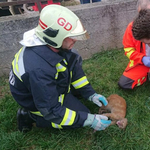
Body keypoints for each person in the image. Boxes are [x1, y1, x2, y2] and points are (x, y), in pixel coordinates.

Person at [9, 4, 111, 133]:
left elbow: (74, 70)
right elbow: (51, 110)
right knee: (81, 116)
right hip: (35, 101)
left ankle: (72, 97)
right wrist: (89, 120)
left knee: (74, 56)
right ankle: (29, 116)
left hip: (45, 87)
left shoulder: (52, 44)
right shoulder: (39, 69)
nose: (75, 40)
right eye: (70, 37)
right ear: (56, 36)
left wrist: (90, 94)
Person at [118, 0, 150, 89]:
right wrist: (142, 58)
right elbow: (128, 49)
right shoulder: (132, 27)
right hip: (141, 63)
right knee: (124, 83)